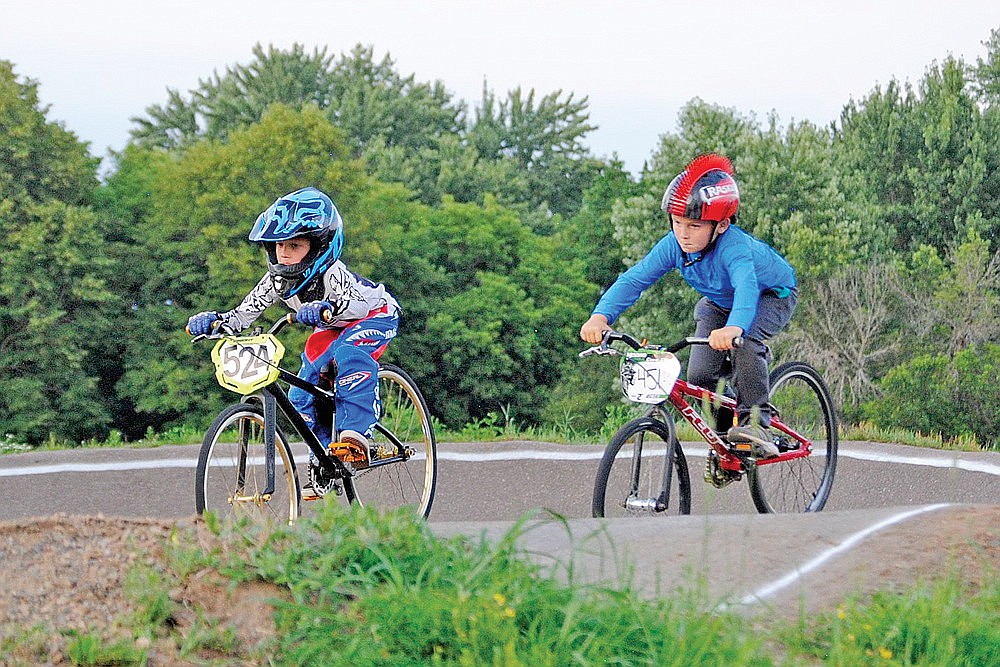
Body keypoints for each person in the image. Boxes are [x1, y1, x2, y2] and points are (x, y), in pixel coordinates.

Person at [580, 153, 797, 458]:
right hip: (719, 304)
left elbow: (747, 289)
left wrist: (735, 328)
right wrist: (600, 316)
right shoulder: (674, 245)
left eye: (694, 225)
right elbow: (635, 279)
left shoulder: (734, 248)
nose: (683, 233)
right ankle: (729, 441)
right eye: (677, 222)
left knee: (744, 343)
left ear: (720, 225)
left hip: (771, 296)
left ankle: (755, 424)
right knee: (699, 377)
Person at [187, 186, 400, 494]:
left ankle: (355, 434)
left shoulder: (332, 275)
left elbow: (357, 306)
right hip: (330, 327)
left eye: (295, 245)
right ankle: (328, 460)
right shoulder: (276, 281)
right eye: (278, 245)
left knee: (350, 356)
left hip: (373, 314)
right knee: (302, 395)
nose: (283, 253)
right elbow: (244, 315)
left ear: (319, 247)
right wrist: (216, 322)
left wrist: (327, 307)